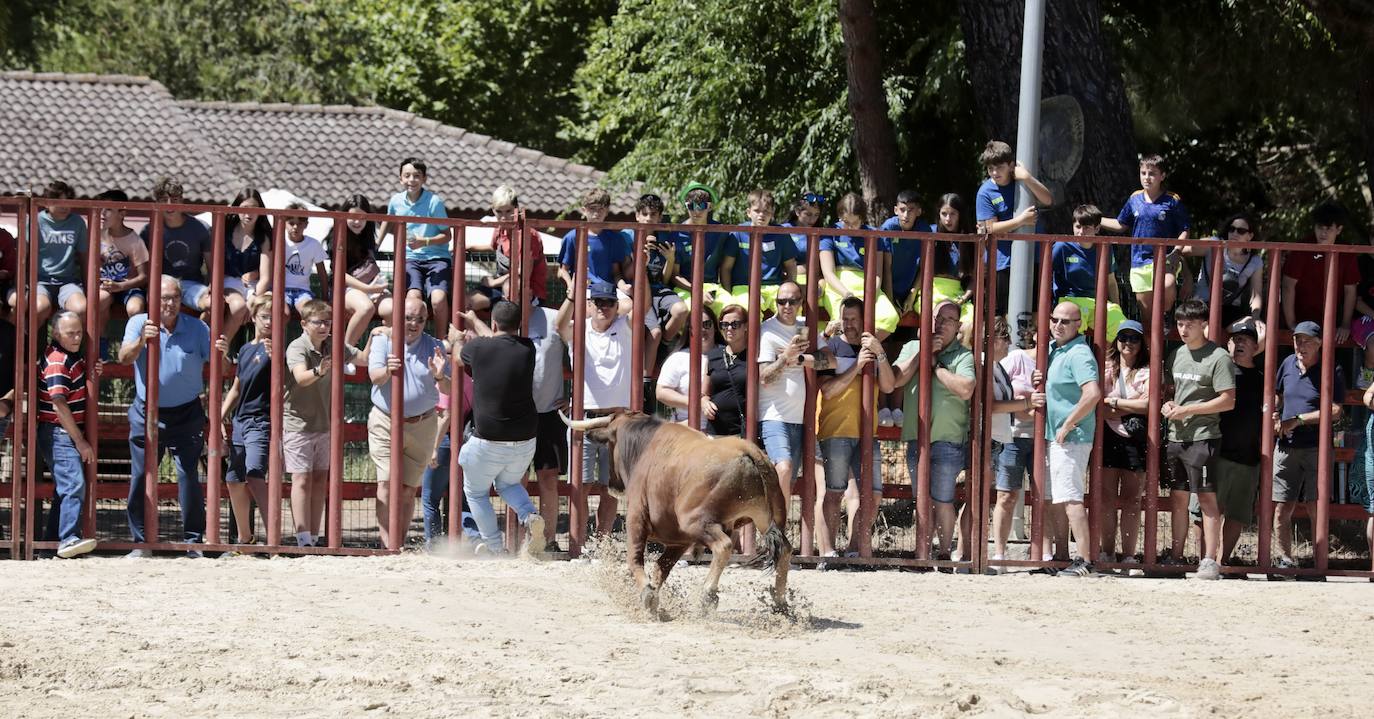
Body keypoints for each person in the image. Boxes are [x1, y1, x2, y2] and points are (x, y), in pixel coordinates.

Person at [118, 276, 228, 557]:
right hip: (147, 412)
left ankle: (193, 541)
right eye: (163, 298)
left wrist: (224, 355)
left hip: (187, 411)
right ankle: (141, 542)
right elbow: (123, 357)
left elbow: (220, 366)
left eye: (174, 298)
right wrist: (143, 339)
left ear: (181, 300)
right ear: (153, 299)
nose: (169, 303)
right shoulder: (138, 322)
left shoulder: (198, 327)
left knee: (189, 475)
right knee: (142, 476)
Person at [452, 299, 547, 555]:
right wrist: (475, 321)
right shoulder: (527, 348)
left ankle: (494, 548)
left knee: (475, 492)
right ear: (518, 325)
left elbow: (460, 359)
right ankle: (529, 516)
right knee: (507, 485)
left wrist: (456, 339)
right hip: (525, 439)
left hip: (488, 440)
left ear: (494, 323)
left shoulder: (478, 348)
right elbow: (498, 340)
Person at [284, 299, 382, 547]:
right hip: (298, 424)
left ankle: (314, 539)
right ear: (304, 324)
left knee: (319, 480)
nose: (324, 327)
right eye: (318, 322)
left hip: (324, 424)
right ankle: (302, 537)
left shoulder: (334, 345)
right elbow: (300, 378)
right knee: (301, 480)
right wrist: (320, 370)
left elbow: (364, 359)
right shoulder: (297, 347)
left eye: (328, 322)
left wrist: (373, 336)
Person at [893, 300, 975, 561]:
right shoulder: (912, 347)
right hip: (917, 438)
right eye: (938, 317)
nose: (941, 324)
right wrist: (924, 355)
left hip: (948, 439)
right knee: (922, 499)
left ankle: (942, 552)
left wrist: (936, 368)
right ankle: (923, 552)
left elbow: (966, 388)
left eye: (948, 319)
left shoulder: (963, 355)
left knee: (942, 499)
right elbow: (896, 379)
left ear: (958, 326)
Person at [367, 296, 451, 548]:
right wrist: (387, 371)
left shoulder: (435, 346)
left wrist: (439, 375)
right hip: (385, 420)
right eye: (408, 317)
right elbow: (374, 377)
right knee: (386, 481)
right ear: (396, 317)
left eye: (420, 319)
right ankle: (387, 545)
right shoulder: (383, 340)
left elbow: (448, 388)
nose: (413, 324)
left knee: (407, 489)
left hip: (423, 424)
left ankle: (398, 543)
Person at [1161, 299, 1236, 580]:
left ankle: (1208, 560)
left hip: (1204, 438)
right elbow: (1170, 391)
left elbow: (1228, 401)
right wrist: (1167, 406)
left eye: (1189, 325)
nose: (1183, 329)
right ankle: (1176, 557)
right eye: (1180, 324)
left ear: (1204, 324)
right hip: (1176, 436)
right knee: (1178, 498)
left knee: (1206, 498)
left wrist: (1188, 410)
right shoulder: (1176, 354)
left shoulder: (1218, 357)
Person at [815, 297, 894, 561]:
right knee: (834, 492)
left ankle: (852, 548)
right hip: (834, 430)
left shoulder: (870, 348)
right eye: (844, 318)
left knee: (873, 494)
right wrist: (857, 368)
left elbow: (889, 386)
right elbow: (826, 390)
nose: (848, 325)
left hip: (866, 433)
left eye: (853, 319)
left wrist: (878, 353)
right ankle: (827, 552)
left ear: (864, 321)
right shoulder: (828, 347)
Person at [556, 281, 634, 536]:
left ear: (616, 305)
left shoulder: (624, 327)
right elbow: (558, 326)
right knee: (580, 485)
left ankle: (603, 539)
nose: (603, 307)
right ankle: (579, 541)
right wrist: (571, 294)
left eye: (609, 302)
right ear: (588, 305)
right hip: (585, 419)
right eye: (597, 302)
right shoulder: (579, 329)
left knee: (611, 488)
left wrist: (627, 284)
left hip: (616, 421)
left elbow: (636, 305)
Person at [1032, 301, 1101, 577]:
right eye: (1055, 319)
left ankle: (1085, 560)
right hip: (1058, 435)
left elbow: (1093, 393)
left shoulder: (1079, 353)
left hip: (1071, 436)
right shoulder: (1055, 350)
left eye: (1065, 321)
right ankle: (1063, 558)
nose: (1058, 325)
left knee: (1071, 498)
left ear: (1078, 326)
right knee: (1057, 497)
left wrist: (1069, 423)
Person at [1271, 320, 1344, 576]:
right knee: (1281, 506)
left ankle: (1318, 563)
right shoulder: (1287, 364)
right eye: (1297, 339)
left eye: (1307, 340)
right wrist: (1274, 413)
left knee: (1316, 506)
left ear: (1320, 343)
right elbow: (1277, 394)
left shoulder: (1330, 368)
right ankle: (1284, 561)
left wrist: (1299, 420)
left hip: (1316, 447)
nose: (1300, 345)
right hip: (1286, 445)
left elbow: (1336, 410)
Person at [1100, 154, 1191, 334]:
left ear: (1162, 176)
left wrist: (1177, 251)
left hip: (1166, 257)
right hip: (1139, 260)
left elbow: (1185, 229)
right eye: (1143, 173)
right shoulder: (1134, 198)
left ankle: (1166, 313)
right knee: (1147, 318)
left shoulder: (1172, 200)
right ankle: (1151, 358)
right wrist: (1097, 219)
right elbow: (1121, 224)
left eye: (1152, 173)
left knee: (1166, 284)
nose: (1147, 177)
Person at [37, 312, 100, 558]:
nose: (76, 337)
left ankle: (50, 545)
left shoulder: (68, 358)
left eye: (79, 332)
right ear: (56, 333)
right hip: (59, 432)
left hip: (60, 432)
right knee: (74, 483)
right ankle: (68, 538)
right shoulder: (57, 361)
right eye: (70, 333)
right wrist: (80, 441)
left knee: (64, 488)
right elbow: (59, 404)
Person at [986, 316, 1043, 573]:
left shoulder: (1059, 360)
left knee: (1045, 498)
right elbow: (996, 397)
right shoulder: (1016, 358)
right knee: (1006, 495)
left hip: (1043, 437)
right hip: (1013, 436)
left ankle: (1044, 552)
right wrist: (1027, 405)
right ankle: (999, 553)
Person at [757, 282, 814, 531]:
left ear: (801, 302)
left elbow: (828, 360)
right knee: (784, 467)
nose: (787, 306)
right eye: (782, 301)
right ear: (775, 303)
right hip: (773, 415)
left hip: (799, 419)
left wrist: (799, 358)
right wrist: (784, 357)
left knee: (787, 481)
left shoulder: (805, 328)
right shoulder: (767, 331)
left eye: (793, 301)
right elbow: (764, 377)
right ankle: (775, 532)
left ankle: (773, 537)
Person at [974, 140, 1053, 315]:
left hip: (1033, 257)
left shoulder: (1021, 182)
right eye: (990, 169)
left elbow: (1048, 199)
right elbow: (989, 228)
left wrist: (1027, 177)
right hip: (1002, 262)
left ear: (1011, 165)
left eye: (1000, 167)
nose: (995, 173)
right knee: (1001, 315)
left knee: (1034, 312)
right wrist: (1021, 220)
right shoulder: (985, 192)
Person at [219, 294, 274, 547]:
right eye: (265, 316)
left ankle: (274, 540)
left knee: (254, 475)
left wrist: (276, 359)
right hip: (240, 421)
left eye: (274, 317)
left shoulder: (276, 349)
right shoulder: (245, 350)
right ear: (254, 318)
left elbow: (283, 381)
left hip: (261, 421)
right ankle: (245, 538)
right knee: (233, 480)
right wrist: (220, 415)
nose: (270, 321)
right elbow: (237, 388)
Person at [379, 157, 454, 339]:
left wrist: (424, 241)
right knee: (413, 299)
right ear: (401, 179)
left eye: (416, 176)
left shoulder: (434, 202)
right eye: (407, 176)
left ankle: (440, 340)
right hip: (410, 259)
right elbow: (387, 222)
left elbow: (448, 235)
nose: (412, 180)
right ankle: (413, 340)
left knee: (438, 300)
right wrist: (375, 246)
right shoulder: (396, 201)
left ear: (424, 179)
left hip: (436, 259)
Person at [1099, 319, 1150, 569]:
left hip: (1136, 441)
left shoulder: (1148, 369)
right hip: (1108, 437)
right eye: (1123, 338)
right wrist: (1134, 404)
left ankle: (1129, 554)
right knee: (1106, 498)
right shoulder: (1107, 368)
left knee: (1132, 500)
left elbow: (1149, 405)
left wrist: (1116, 404)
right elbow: (1099, 404)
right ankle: (1107, 552)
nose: (1128, 343)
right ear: (1116, 341)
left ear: (1142, 343)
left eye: (1134, 338)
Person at [1217, 317, 1265, 569]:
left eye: (1246, 340)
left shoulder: (1262, 379)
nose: (1240, 344)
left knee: (1237, 514)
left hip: (1248, 455)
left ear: (1257, 348)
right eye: (1236, 339)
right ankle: (1207, 559)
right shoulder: (1219, 372)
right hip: (1218, 453)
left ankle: (1222, 560)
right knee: (1206, 512)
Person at [818, 193, 898, 338]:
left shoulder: (874, 235)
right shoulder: (830, 233)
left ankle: (861, 351)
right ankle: (845, 354)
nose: (849, 227)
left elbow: (877, 274)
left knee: (890, 318)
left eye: (854, 223)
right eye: (845, 222)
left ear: (862, 217)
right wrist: (847, 294)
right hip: (839, 286)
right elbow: (828, 273)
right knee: (841, 321)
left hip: (869, 285)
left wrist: (869, 295)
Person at [628, 192, 688, 376]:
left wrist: (669, 259)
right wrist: (640, 260)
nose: (648, 219)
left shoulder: (665, 238)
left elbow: (664, 278)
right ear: (637, 215)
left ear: (660, 217)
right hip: (637, 290)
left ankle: (664, 345)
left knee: (681, 310)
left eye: (653, 214)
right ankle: (645, 381)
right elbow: (626, 273)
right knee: (652, 332)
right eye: (644, 214)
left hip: (659, 289)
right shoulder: (628, 237)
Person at [13, 181, 88, 324]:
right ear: (47, 203)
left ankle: (62, 344)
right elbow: (23, 255)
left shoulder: (78, 222)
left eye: (67, 202)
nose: (64, 206)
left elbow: (84, 257)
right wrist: (19, 285)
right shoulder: (36, 220)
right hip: (40, 280)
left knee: (81, 309)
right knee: (40, 308)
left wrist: (88, 287)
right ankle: (30, 343)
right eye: (58, 202)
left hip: (68, 280)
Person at [1282, 202, 1357, 346]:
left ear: (1339, 229)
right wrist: (1291, 324)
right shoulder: (1302, 248)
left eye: (1328, 228)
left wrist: (1345, 325)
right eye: (1319, 227)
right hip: (1301, 319)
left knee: (1335, 364)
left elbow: (1350, 290)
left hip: (1334, 322)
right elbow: (1287, 286)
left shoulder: (1348, 252)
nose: (1323, 233)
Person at [1051, 204, 1125, 342]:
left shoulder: (1105, 248)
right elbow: (1046, 276)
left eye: (1086, 228)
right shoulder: (1061, 246)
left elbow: (1111, 282)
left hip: (1097, 302)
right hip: (1068, 300)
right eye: (1078, 227)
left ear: (1097, 228)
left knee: (1121, 326)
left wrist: (1117, 307)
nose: (1081, 232)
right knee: (1071, 330)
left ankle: (1107, 361)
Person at [717, 189, 798, 313]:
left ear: (772, 213)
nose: (761, 215)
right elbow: (726, 268)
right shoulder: (738, 233)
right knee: (751, 308)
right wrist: (728, 294)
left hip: (775, 287)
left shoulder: (781, 234)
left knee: (792, 308)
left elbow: (791, 265)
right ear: (748, 212)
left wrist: (790, 288)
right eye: (757, 211)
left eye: (766, 211)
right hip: (743, 287)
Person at [141, 177, 213, 314]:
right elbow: (143, 266)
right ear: (157, 203)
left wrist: (212, 287)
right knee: (155, 308)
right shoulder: (148, 231)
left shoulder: (201, 228)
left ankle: (200, 334)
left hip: (191, 284)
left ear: (182, 200)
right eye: (163, 200)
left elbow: (212, 267)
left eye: (174, 199)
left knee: (213, 304)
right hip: (161, 284)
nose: (169, 205)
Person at [336, 194, 393, 345]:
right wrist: (367, 288)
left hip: (372, 285)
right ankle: (345, 352)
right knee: (366, 308)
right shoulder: (338, 236)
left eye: (362, 217)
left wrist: (374, 287)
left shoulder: (368, 236)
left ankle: (379, 352)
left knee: (394, 309)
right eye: (353, 216)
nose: (357, 221)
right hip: (347, 288)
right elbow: (339, 274)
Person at [1188, 213, 1263, 327]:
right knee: (1209, 330)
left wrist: (1256, 317)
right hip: (1201, 308)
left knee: (1260, 333)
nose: (1234, 233)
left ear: (1250, 236)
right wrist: (1186, 276)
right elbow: (1180, 250)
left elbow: (1256, 295)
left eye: (1241, 231)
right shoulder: (1213, 245)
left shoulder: (1255, 261)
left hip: (1230, 311)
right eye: (1231, 229)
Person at [557, 188, 631, 301]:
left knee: (629, 306)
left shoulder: (615, 238)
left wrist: (623, 287)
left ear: (607, 211)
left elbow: (616, 273)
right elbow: (562, 270)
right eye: (592, 209)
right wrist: (570, 285)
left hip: (609, 291)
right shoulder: (573, 237)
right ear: (584, 210)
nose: (596, 213)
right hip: (584, 291)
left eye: (601, 209)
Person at [256, 203, 328, 314]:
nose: (295, 227)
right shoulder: (277, 242)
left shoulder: (313, 244)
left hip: (303, 291)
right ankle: (279, 332)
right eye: (291, 223)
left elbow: (322, 272)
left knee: (309, 312)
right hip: (278, 289)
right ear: (284, 224)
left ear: (306, 225)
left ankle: (305, 332)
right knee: (283, 313)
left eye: (300, 224)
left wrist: (325, 297)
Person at [219, 188, 270, 342]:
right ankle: (221, 347)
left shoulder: (264, 237)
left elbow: (266, 277)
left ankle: (260, 353)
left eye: (254, 209)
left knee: (271, 308)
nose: (249, 214)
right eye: (244, 209)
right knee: (238, 306)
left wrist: (254, 298)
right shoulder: (225, 230)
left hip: (254, 286)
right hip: (228, 281)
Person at [669, 182, 730, 313]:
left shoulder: (721, 231)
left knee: (732, 310)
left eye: (701, 206)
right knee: (691, 311)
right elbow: (675, 275)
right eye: (691, 206)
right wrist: (697, 291)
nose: (696, 211)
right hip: (686, 287)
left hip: (713, 287)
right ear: (686, 207)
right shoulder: (677, 234)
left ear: (710, 207)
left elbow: (726, 266)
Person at [656, 306, 717, 430]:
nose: (702, 329)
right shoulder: (678, 358)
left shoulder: (728, 353)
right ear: (689, 329)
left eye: (707, 324)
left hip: (723, 428)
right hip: (688, 428)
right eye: (697, 325)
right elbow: (661, 392)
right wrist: (696, 403)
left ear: (715, 327)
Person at [486, 185, 548, 306]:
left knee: (513, 289)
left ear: (516, 209)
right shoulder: (500, 229)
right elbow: (492, 247)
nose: (504, 217)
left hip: (529, 293)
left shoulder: (528, 235)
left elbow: (523, 272)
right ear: (493, 210)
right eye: (499, 211)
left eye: (508, 211)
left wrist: (493, 283)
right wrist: (466, 246)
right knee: (469, 301)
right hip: (502, 287)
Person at [94, 189, 149, 325]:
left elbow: (144, 276)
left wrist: (121, 286)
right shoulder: (97, 236)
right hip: (105, 287)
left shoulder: (135, 241)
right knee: (98, 302)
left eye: (108, 210)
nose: (102, 214)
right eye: (101, 209)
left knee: (135, 308)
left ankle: (135, 343)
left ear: (122, 213)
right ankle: (101, 343)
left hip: (129, 287)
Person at [882, 189, 936, 313]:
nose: (906, 215)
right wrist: (890, 302)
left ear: (919, 211)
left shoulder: (924, 230)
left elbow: (925, 267)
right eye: (902, 210)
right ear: (896, 210)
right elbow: (886, 268)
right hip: (887, 288)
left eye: (911, 210)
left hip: (912, 288)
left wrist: (911, 296)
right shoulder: (888, 228)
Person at [703, 305, 751, 437]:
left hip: (744, 431)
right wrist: (704, 403)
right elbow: (704, 393)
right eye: (724, 325)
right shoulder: (713, 356)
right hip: (716, 430)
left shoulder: (753, 356)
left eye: (735, 324)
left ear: (746, 326)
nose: (729, 329)